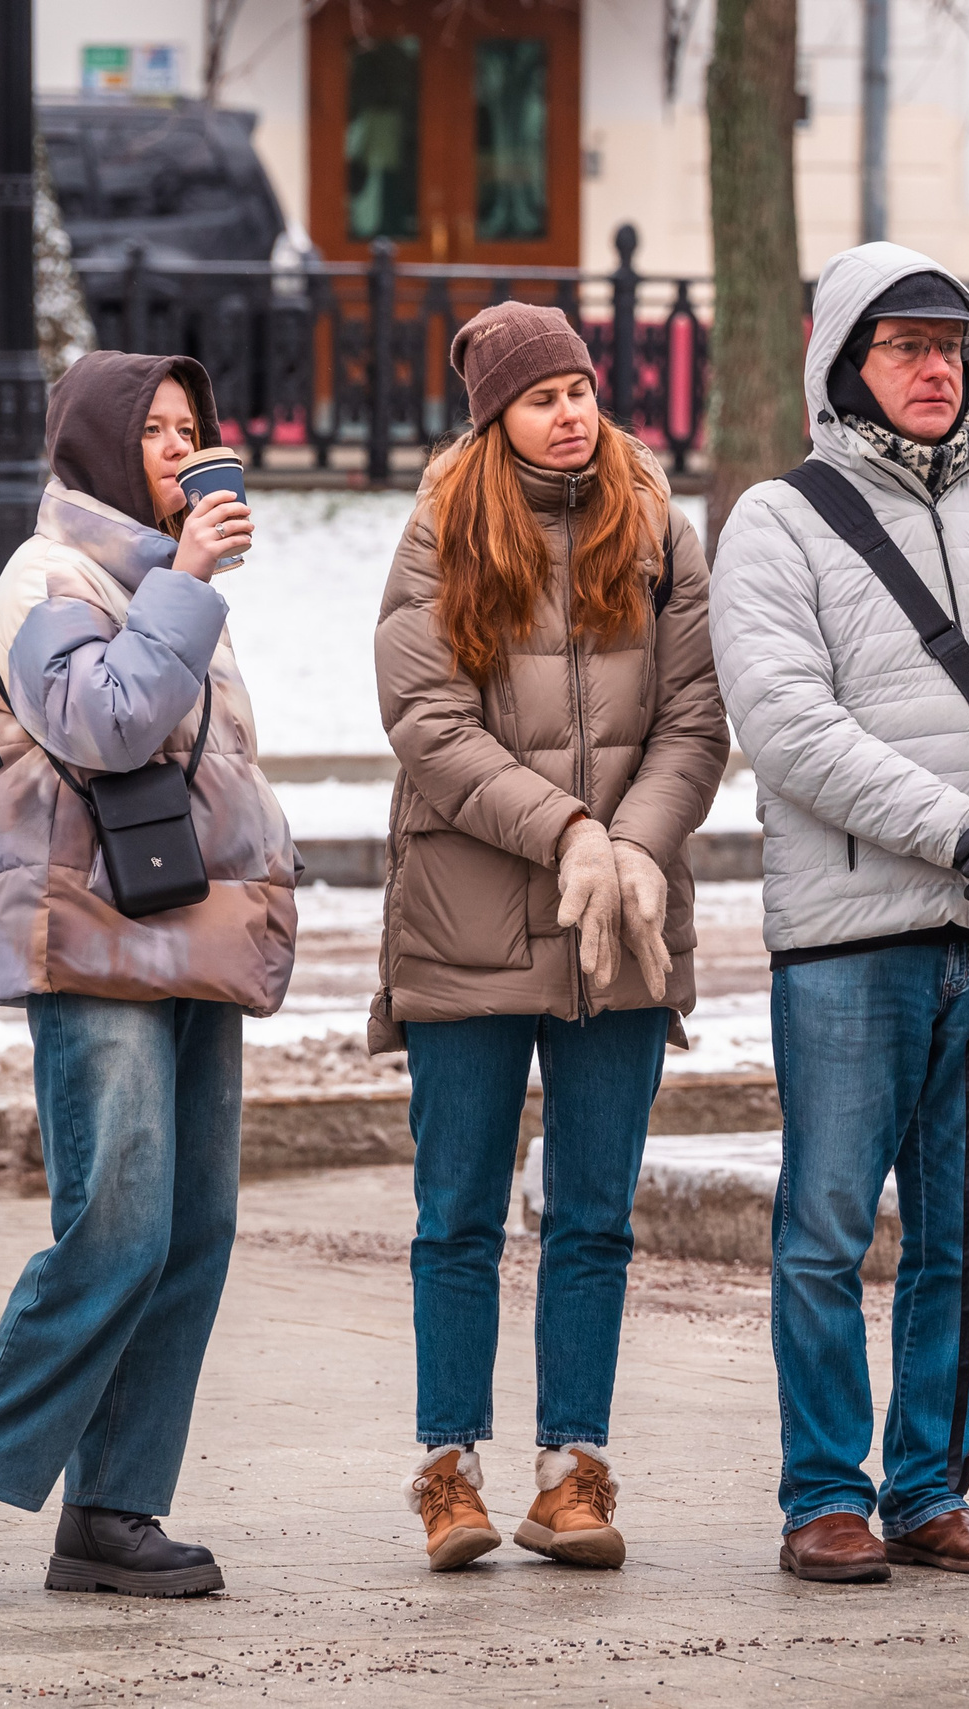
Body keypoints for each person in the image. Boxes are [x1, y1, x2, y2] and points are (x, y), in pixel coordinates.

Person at [710, 242, 969, 1584]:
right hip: (850, 938)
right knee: (828, 1225)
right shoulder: (779, 520)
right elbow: (785, 722)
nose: (936, 367)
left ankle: (930, 1483)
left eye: (951, 344)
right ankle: (826, 1492)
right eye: (904, 346)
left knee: (967, 1234)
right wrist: (964, 828)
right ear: (844, 361)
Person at [0, 353, 300, 1606]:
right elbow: (101, 720)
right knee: (114, 1222)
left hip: (192, 933)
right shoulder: (42, 575)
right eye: (155, 431)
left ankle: (114, 1510)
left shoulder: (169, 585)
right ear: (101, 445)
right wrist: (192, 584)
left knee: (191, 1232)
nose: (181, 449)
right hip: (93, 934)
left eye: (193, 429)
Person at [371, 301, 728, 1572]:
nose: (571, 411)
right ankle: (449, 1469)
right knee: (457, 1209)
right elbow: (428, 722)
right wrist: (571, 828)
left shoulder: (656, 526)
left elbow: (695, 717)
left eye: (580, 387)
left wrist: (631, 846)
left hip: (614, 929)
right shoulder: (440, 531)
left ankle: (572, 1471)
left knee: (593, 1214)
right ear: (494, 417)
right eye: (541, 396)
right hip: (466, 919)